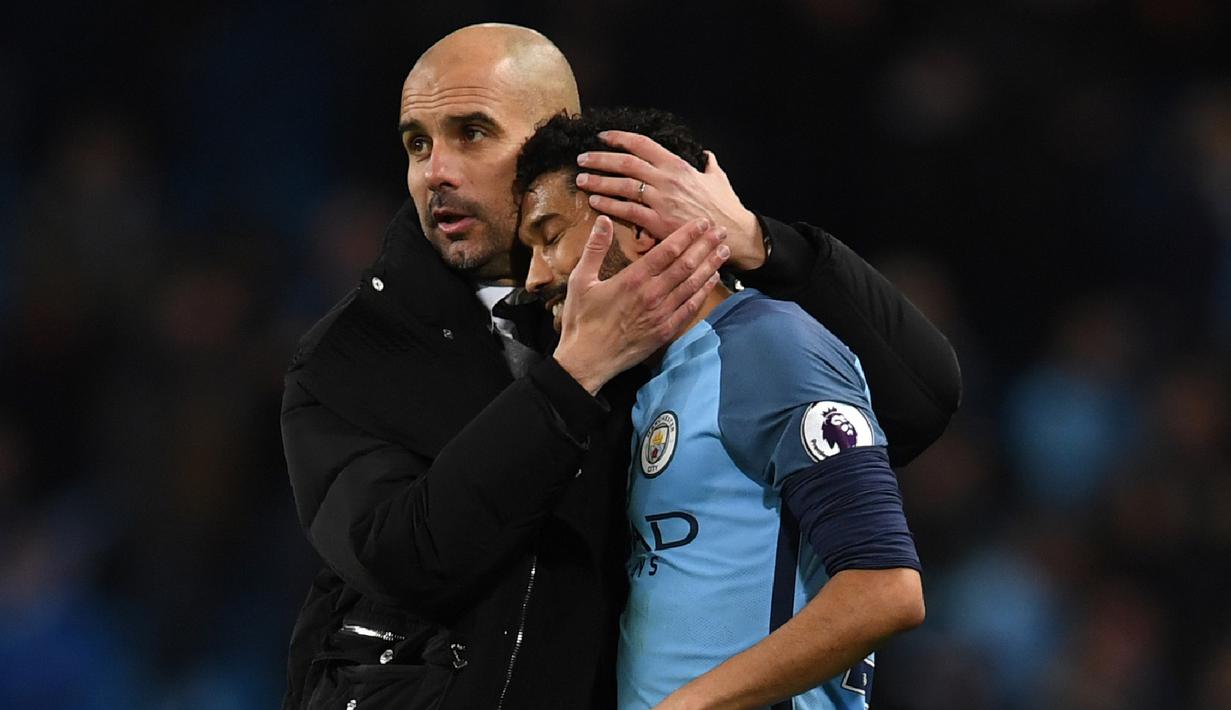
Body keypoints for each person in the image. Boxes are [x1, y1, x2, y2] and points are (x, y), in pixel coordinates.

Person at [281, 23, 958, 710]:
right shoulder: (352, 350)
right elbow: (402, 558)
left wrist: (757, 241)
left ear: (554, 137)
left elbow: (914, 402)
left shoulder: (678, 324)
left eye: (472, 132)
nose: (436, 172)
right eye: (416, 144)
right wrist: (571, 377)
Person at [517, 107, 924, 710]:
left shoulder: (770, 346)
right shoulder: (656, 379)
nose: (532, 278)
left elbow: (886, 588)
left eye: (550, 238)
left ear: (639, 224)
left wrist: (687, 706)